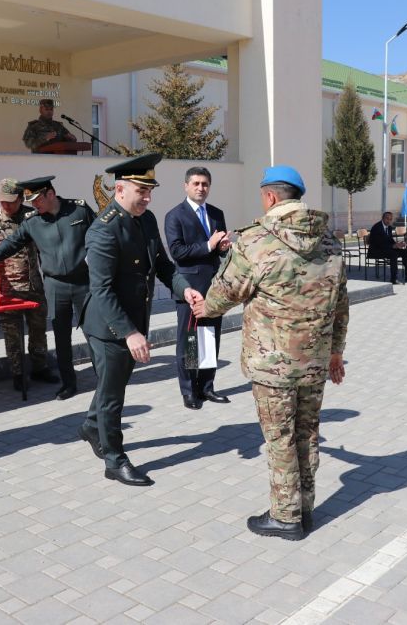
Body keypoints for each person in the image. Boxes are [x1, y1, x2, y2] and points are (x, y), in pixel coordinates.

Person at [193, 165, 348, 541]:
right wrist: (336, 353)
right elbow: (341, 305)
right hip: (314, 360)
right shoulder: (329, 242)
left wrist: (204, 308)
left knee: (279, 438)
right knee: (307, 433)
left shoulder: (256, 240)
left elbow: (225, 292)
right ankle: (304, 507)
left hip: (272, 364)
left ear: (271, 197)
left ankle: (285, 516)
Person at [77, 154, 202, 486]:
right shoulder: (103, 230)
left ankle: (91, 425)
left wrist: (184, 289)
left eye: (150, 191)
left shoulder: (145, 220)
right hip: (108, 325)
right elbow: (101, 290)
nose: (147, 198)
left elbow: (162, 265)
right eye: (141, 191)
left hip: (133, 319)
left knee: (113, 383)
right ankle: (114, 460)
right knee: (113, 394)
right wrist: (129, 333)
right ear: (120, 189)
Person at [0, 176, 94, 400]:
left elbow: (98, 237)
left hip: (66, 283)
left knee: (87, 332)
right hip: (33, 287)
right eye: (31, 200)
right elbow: (7, 245)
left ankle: (100, 377)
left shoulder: (72, 211)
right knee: (48, 336)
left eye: (37, 199)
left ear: (50, 194)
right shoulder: (22, 221)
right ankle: (51, 380)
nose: (34, 204)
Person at [0, 178, 56, 391]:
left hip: (34, 286)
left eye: (10, 201)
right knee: (13, 334)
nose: (6, 206)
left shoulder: (33, 216)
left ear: (20, 199)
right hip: (9, 290)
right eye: (2, 201)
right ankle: (18, 373)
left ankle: (40, 368)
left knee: (38, 330)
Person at [164, 167, 231, 410]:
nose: (201, 188)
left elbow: (218, 251)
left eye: (205, 184)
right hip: (190, 288)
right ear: (186, 186)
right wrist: (208, 245)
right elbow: (177, 252)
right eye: (196, 183)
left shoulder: (216, 213)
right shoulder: (175, 216)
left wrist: (222, 247)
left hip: (213, 288)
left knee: (209, 339)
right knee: (190, 341)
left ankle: (206, 387)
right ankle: (189, 390)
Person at [369, 211, 407, 284]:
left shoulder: (389, 228)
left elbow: (390, 240)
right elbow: (377, 243)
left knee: (405, 252)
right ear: (383, 218)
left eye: (390, 219)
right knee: (393, 254)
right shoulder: (377, 227)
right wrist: (392, 246)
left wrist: (397, 244)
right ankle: (393, 278)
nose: (389, 221)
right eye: (387, 218)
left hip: (387, 249)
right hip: (376, 250)